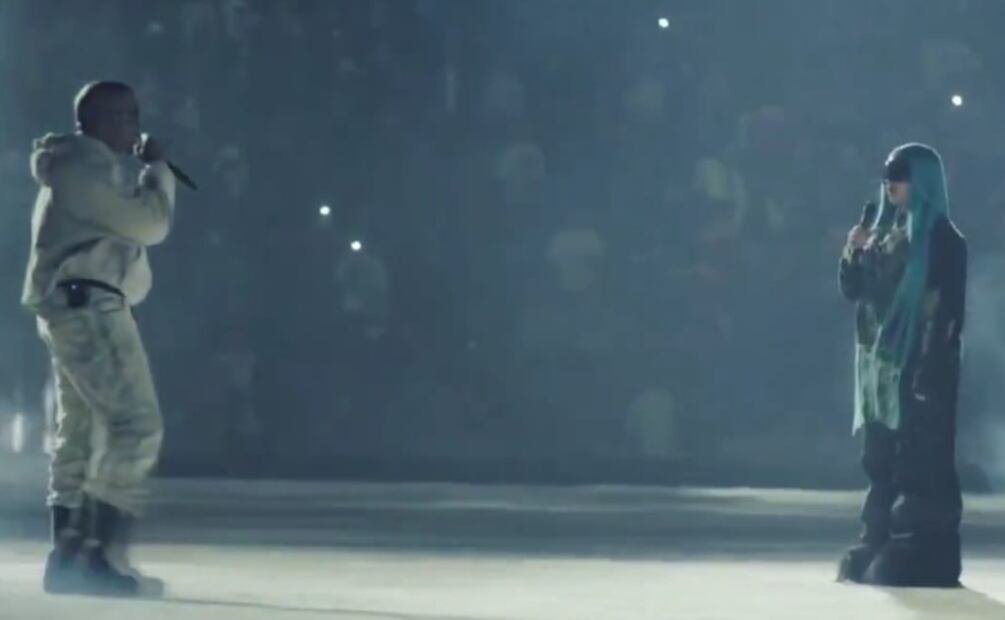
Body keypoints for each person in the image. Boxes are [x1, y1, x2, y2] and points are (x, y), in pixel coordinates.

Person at [22, 81, 176, 597]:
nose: (135, 127)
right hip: (89, 304)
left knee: (81, 432)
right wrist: (158, 173)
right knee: (136, 424)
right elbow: (151, 224)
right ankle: (97, 556)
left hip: (74, 303)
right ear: (101, 120)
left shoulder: (77, 168)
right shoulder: (84, 168)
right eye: (128, 115)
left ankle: (68, 555)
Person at [836, 143, 967, 587]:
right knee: (879, 459)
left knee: (920, 459)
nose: (891, 185)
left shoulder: (943, 241)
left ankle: (920, 541)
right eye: (888, 176)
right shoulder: (885, 232)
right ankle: (877, 535)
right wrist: (854, 253)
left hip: (919, 365)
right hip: (879, 366)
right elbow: (856, 291)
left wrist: (929, 366)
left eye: (901, 176)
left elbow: (946, 312)